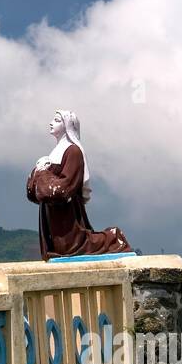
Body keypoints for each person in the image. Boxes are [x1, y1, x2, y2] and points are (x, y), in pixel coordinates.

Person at [26, 109, 132, 258]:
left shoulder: (73, 152)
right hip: (51, 214)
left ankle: (114, 238)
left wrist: (42, 172)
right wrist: (38, 171)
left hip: (66, 215)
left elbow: (62, 189)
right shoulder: (54, 153)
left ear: (68, 126)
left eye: (57, 120)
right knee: (58, 249)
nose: (51, 123)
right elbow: (35, 193)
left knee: (71, 247)